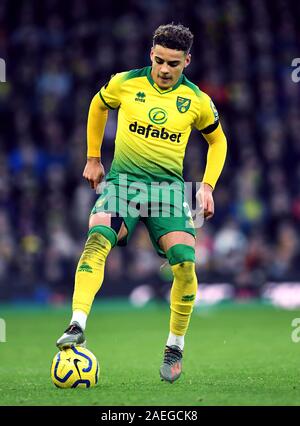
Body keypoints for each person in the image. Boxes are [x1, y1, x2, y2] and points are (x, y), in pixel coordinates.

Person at [56, 23, 227, 383]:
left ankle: (175, 346)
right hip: (123, 183)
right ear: (151, 53)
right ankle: (76, 323)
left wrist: (208, 186)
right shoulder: (125, 83)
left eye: (174, 64)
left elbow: (218, 141)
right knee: (98, 237)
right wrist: (92, 157)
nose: (165, 70)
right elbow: (98, 104)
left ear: (187, 62)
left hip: (167, 190)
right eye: (160, 60)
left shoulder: (197, 100)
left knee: (185, 264)